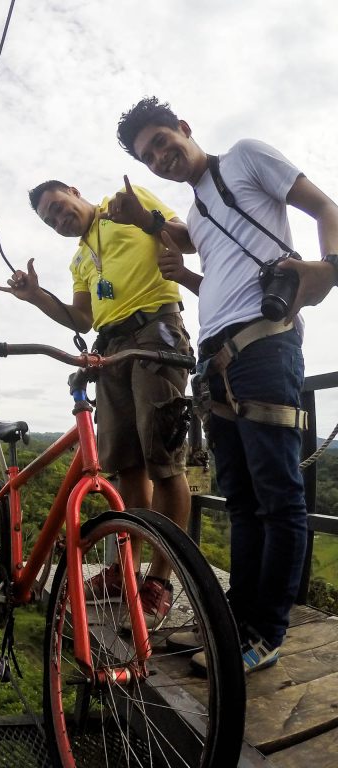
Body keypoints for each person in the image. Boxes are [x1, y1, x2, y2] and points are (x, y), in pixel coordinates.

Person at [116, 96, 338, 673]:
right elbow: (205, 260)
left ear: (186, 129)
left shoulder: (245, 157)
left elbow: (324, 207)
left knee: (277, 495)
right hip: (215, 359)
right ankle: (234, 622)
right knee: (240, 500)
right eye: (149, 157)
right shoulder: (197, 211)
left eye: (164, 142)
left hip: (265, 345)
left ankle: (266, 632)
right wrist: (181, 268)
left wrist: (331, 269)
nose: (161, 157)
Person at [0, 178, 194, 630]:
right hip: (109, 348)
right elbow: (81, 318)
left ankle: (160, 582)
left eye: (60, 207)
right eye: (51, 220)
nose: (60, 219)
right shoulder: (79, 258)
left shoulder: (126, 202)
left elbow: (180, 235)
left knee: (164, 461)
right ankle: (127, 571)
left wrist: (150, 222)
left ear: (74, 190)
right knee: (128, 466)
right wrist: (36, 298)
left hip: (155, 334)